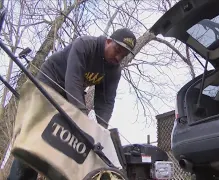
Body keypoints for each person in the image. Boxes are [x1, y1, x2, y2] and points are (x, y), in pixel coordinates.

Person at [7, 28, 137, 180]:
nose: (118, 57)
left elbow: (106, 102)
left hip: (70, 92)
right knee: (37, 135)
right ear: (108, 41)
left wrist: (100, 130)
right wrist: (82, 119)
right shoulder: (85, 45)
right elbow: (72, 81)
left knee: (65, 142)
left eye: (124, 55)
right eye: (117, 50)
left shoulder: (114, 71)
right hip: (50, 82)